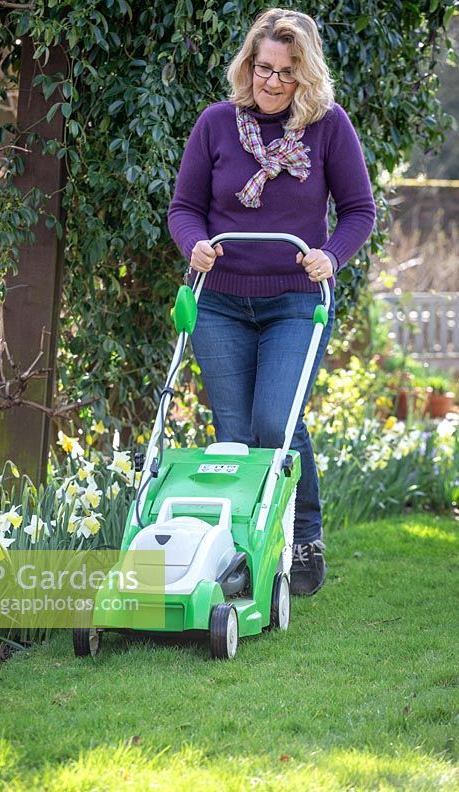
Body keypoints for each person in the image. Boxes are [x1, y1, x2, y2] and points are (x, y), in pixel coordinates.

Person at [167, 8, 375, 596]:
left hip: (295, 303)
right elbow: (184, 209)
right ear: (248, 67)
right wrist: (196, 245)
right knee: (234, 436)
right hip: (220, 304)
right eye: (264, 68)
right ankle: (244, 549)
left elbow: (360, 211)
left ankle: (304, 534)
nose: (273, 82)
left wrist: (330, 254)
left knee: (274, 425)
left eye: (287, 72)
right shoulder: (215, 125)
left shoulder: (328, 127)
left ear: (305, 75)